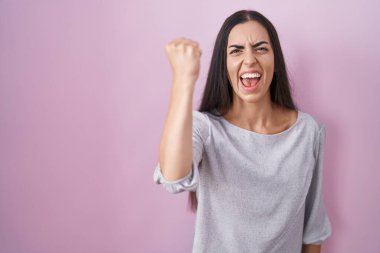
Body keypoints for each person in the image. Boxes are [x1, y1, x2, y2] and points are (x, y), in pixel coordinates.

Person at [153, 9, 332, 253]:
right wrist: (184, 80)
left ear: (276, 61)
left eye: (260, 48)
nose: (249, 59)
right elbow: (173, 177)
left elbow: (313, 231)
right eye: (236, 50)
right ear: (223, 66)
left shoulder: (309, 132)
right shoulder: (205, 129)